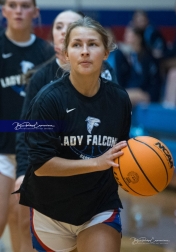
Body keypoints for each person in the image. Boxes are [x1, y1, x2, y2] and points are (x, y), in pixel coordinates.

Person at [16, 16, 132, 252]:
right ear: (66, 54)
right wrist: (96, 163)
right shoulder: (47, 99)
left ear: (106, 53)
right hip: (51, 209)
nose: (85, 51)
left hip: (98, 206)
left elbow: (121, 153)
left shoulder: (120, 100)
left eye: (93, 44)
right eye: (77, 44)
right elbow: (41, 164)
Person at [0, 0, 54, 251]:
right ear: (3, 10)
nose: (19, 11)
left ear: (36, 11)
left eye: (24, 5)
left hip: (31, 150)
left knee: (23, 222)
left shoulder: (46, 53)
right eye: (12, 5)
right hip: (1, 150)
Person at [120, 26, 161, 107]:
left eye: (129, 35)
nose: (125, 37)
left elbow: (151, 80)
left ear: (138, 38)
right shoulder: (130, 55)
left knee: (119, 97)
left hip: (147, 93)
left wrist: (148, 94)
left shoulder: (148, 57)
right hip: (134, 91)